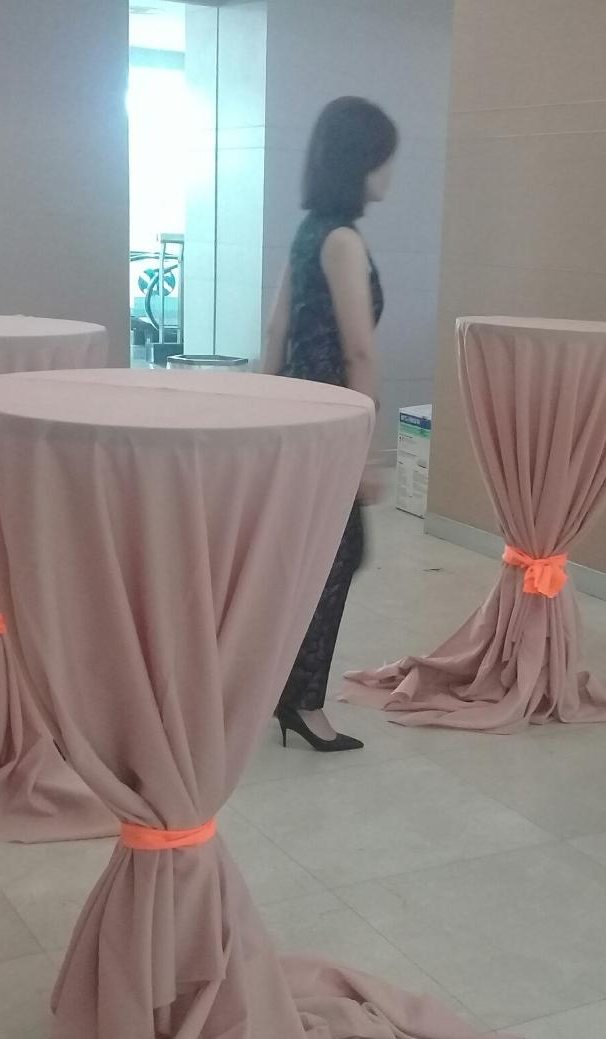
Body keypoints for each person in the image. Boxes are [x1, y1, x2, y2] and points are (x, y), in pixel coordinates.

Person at [260, 96, 397, 753]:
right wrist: (363, 451)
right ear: (360, 161)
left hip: (298, 419)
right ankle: (302, 703)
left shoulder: (308, 231)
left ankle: (282, 689)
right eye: (384, 158)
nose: (390, 171)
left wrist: (262, 417)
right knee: (334, 561)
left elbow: (275, 333)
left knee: (312, 561)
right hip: (329, 425)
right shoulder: (342, 240)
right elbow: (359, 351)